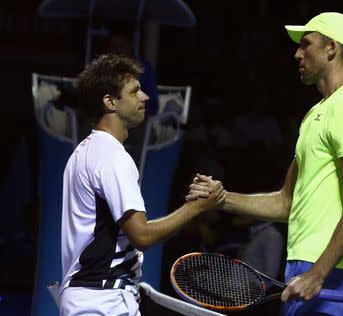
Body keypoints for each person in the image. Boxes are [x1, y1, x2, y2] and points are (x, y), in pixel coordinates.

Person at [188, 12, 343, 315]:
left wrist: (319, 272)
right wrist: (221, 199)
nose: (297, 53)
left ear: (331, 48)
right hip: (304, 267)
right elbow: (285, 203)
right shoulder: (314, 115)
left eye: (306, 44)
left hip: (331, 271)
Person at [59, 54, 225, 316]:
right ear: (110, 101)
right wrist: (196, 208)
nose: (145, 97)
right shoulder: (112, 156)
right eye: (135, 91)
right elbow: (142, 235)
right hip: (104, 302)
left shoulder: (84, 152)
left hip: (89, 297)